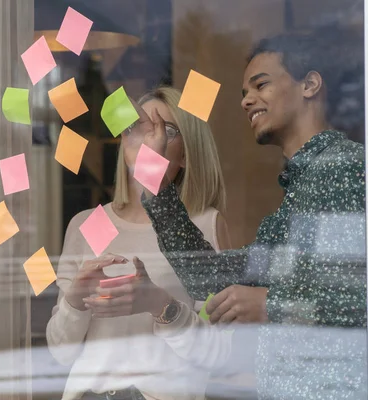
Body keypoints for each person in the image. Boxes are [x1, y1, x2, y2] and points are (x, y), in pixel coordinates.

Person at [83, 31, 367, 399]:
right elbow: (208, 277)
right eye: (243, 93)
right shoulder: (300, 188)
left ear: (309, 84)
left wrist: (270, 305)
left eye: (260, 85)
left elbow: (356, 300)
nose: (247, 100)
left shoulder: (343, 167)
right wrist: (151, 173)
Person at [46, 86, 232, 400]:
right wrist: (75, 301)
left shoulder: (203, 224)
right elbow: (60, 353)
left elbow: (218, 352)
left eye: (165, 130)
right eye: (135, 126)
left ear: (186, 154)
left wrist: (161, 306)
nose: (149, 137)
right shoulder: (88, 223)